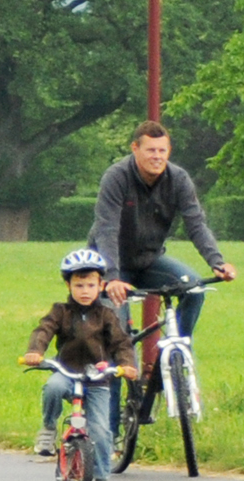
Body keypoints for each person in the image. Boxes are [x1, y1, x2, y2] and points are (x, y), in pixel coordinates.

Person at [89, 120, 235, 345]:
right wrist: (112, 277)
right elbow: (106, 229)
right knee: (118, 339)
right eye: (150, 150)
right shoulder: (116, 177)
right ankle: (121, 361)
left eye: (162, 150)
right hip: (112, 264)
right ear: (135, 148)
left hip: (149, 260)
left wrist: (217, 262)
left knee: (195, 289)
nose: (157, 156)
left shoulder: (178, 179)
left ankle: (178, 351)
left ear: (169, 151)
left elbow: (196, 224)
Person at [22, 250, 137, 481]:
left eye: (91, 285)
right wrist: (35, 352)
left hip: (97, 379)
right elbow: (44, 330)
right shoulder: (60, 311)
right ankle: (48, 428)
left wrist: (127, 365)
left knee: (101, 431)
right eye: (79, 285)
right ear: (68, 285)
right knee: (52, 387)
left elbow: (121, 343)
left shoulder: (106, 315)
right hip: (67, 372)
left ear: (101, 286)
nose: (85, 291)